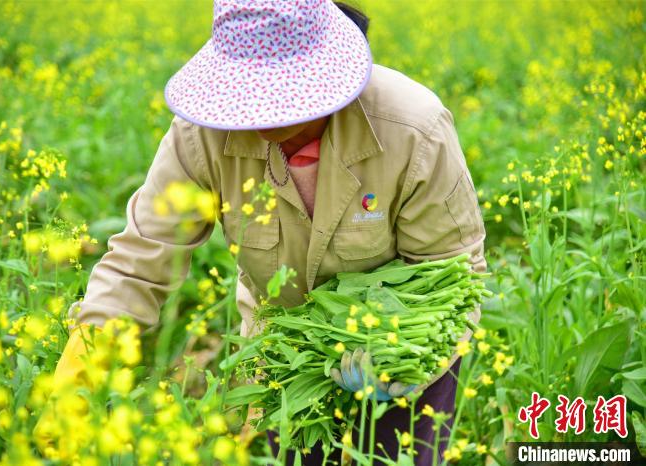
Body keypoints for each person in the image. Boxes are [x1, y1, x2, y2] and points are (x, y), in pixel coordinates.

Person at [39, 1, 487, 464]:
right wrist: (85, 363)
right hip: (282, 354)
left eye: (282, 96)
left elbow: (454, 268)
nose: (262, 116)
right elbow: (143, 256)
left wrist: (408, 360)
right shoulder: (203, 133)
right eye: (249, 94)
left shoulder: (413, 128)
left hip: (402, 344)